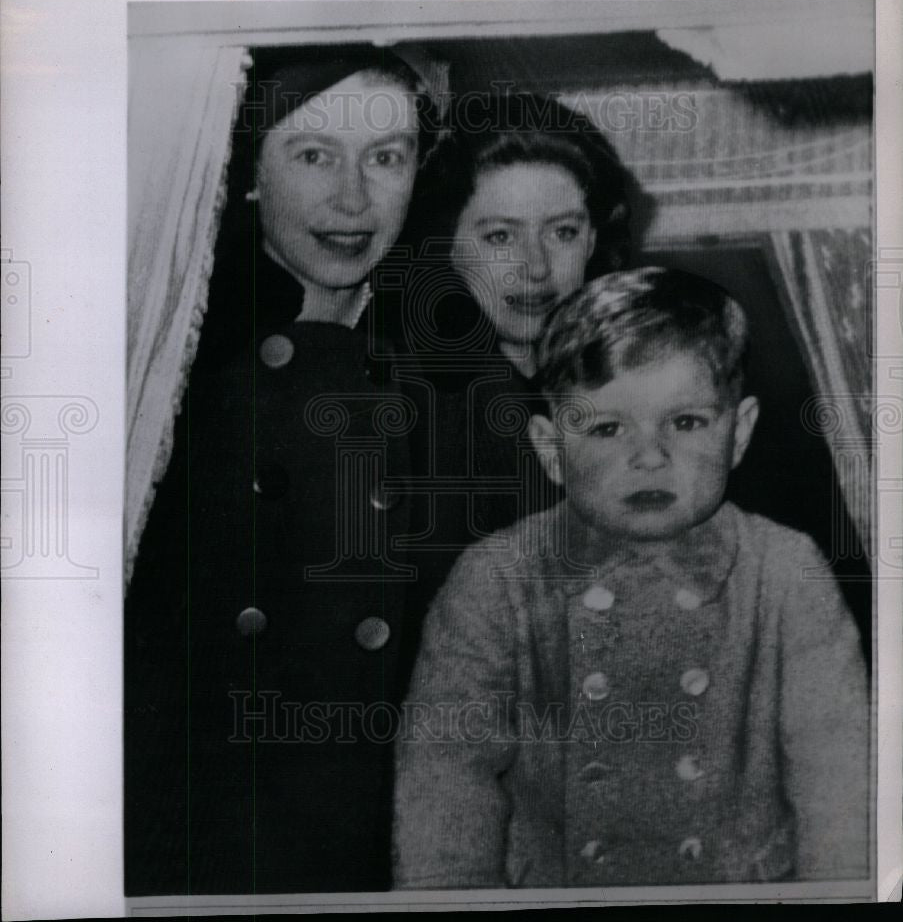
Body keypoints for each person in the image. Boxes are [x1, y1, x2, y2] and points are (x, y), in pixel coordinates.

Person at [393, 267, 868, 888]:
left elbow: (841, 789)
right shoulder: (496, 581)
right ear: (550, 449)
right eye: (608, 429)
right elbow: (445, 789)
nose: (650, 455)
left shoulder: (785, 571)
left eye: (687, 422)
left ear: (740, 432)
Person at [125, 45, 438, 895]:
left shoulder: (442, 364)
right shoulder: (167, 366)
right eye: (312, 156)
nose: (351, 200)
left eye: (385, 158)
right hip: (204, 838)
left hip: (368, 840)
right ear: (251, 174)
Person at [395, 94, 636, 575]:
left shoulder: (637, 380)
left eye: (562, 232)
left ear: (592, 239)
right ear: (446, 246)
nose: (537, 268)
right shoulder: (411, 408)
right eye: (501, 237)